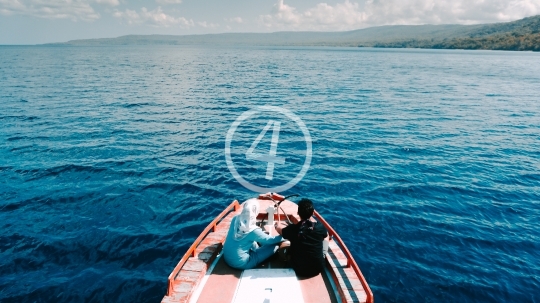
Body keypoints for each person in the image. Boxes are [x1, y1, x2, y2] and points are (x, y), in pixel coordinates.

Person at [222, 198, 283, 270]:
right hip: (242, 263)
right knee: (275, 246)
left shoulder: (235, 218)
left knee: (250, 241)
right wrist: (286, 235)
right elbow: (271, 240)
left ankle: (257, 248)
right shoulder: (253, 230)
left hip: (227, 258)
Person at [276, 198, 328, 277]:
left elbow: (280, 231)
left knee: (282, 245)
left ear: (298, 213)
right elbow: (325, 235)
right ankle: (322, 256)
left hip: (298, 269)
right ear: (313, 213)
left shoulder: (293, 229)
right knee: (326, 238)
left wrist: (277, 226)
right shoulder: (319, 227)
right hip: (318, 268)